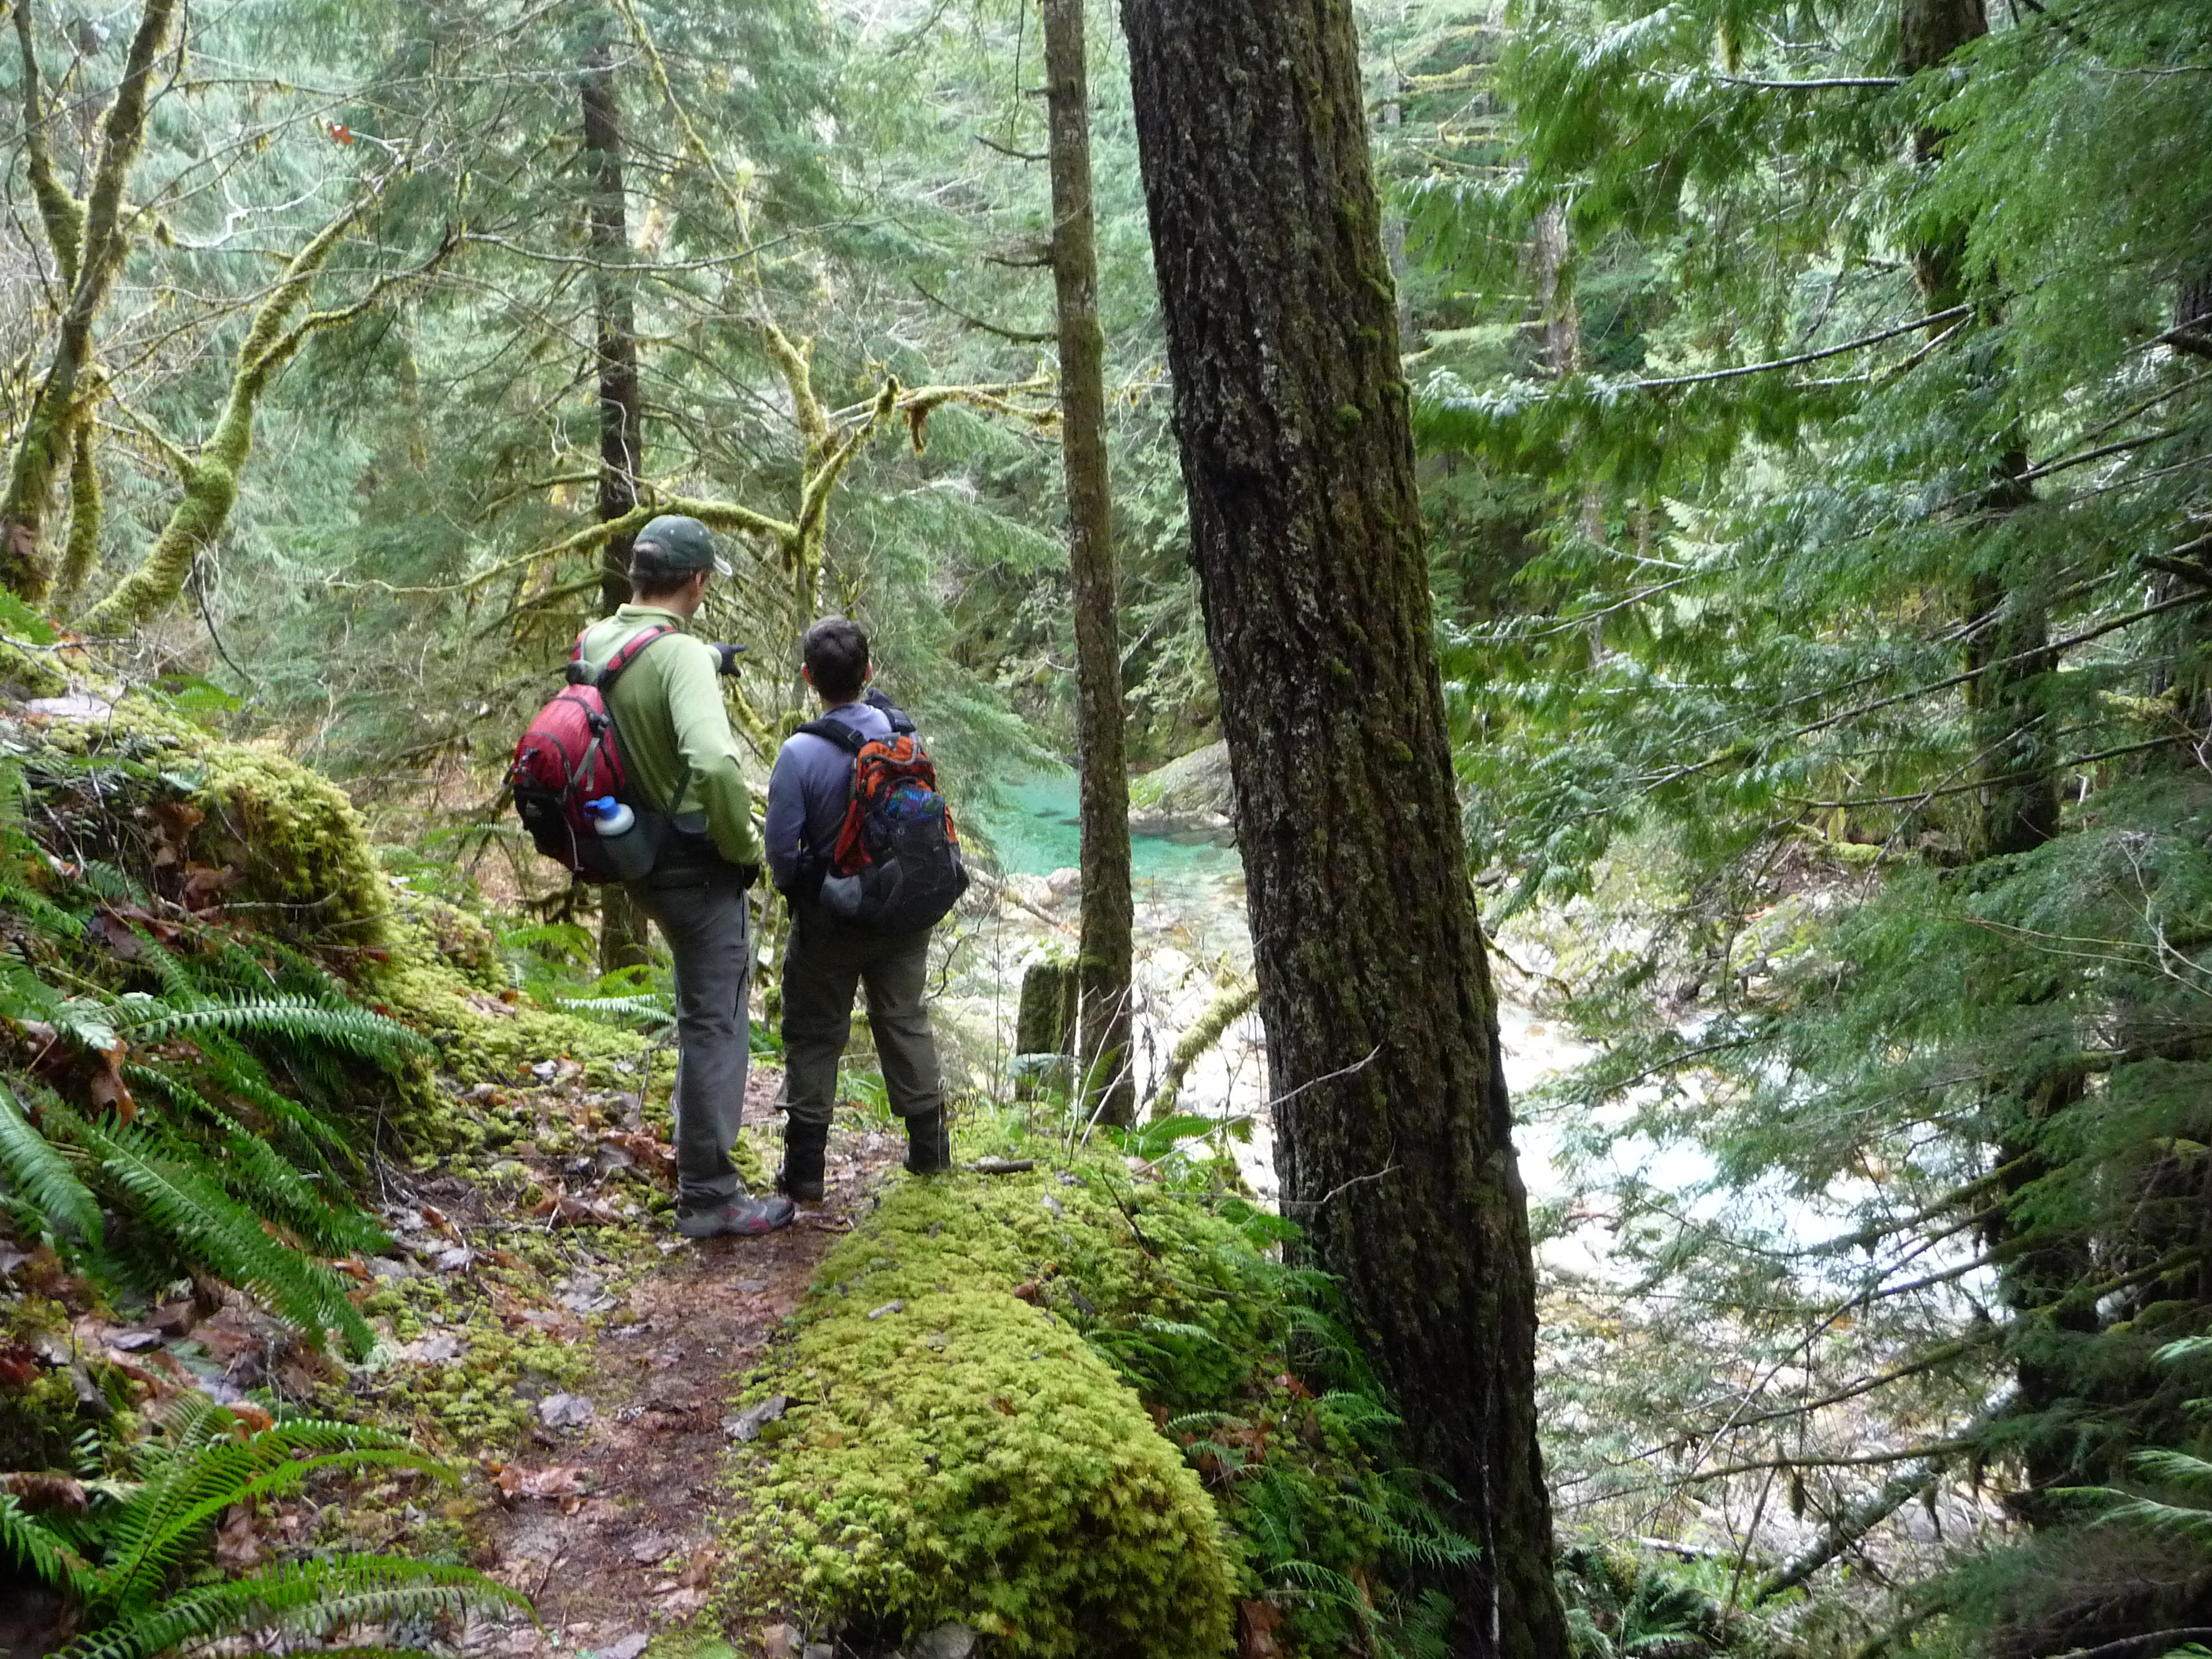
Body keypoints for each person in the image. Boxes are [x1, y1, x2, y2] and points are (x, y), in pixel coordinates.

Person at [574, 515, 794, 1239]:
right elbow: (714, 764)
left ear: (638, 576)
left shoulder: (600, 639)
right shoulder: (681, 659)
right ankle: (709, 1195)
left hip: (633, 851)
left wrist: (700, 657)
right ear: (697, 582)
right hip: (696, 866)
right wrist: (744, 847)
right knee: (715, 1021)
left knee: (696, 1011)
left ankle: (699, 1170)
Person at [764, 616, 953, 1200]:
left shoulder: (799, 753)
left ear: (808, 678)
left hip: (831, 920)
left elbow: (781, 854)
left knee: (816, 1034)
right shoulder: (904, 737)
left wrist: (808, 892)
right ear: (869, 672)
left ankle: (805, 1173)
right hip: (903, 912)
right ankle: (931, 1154)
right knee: (904, 1018)